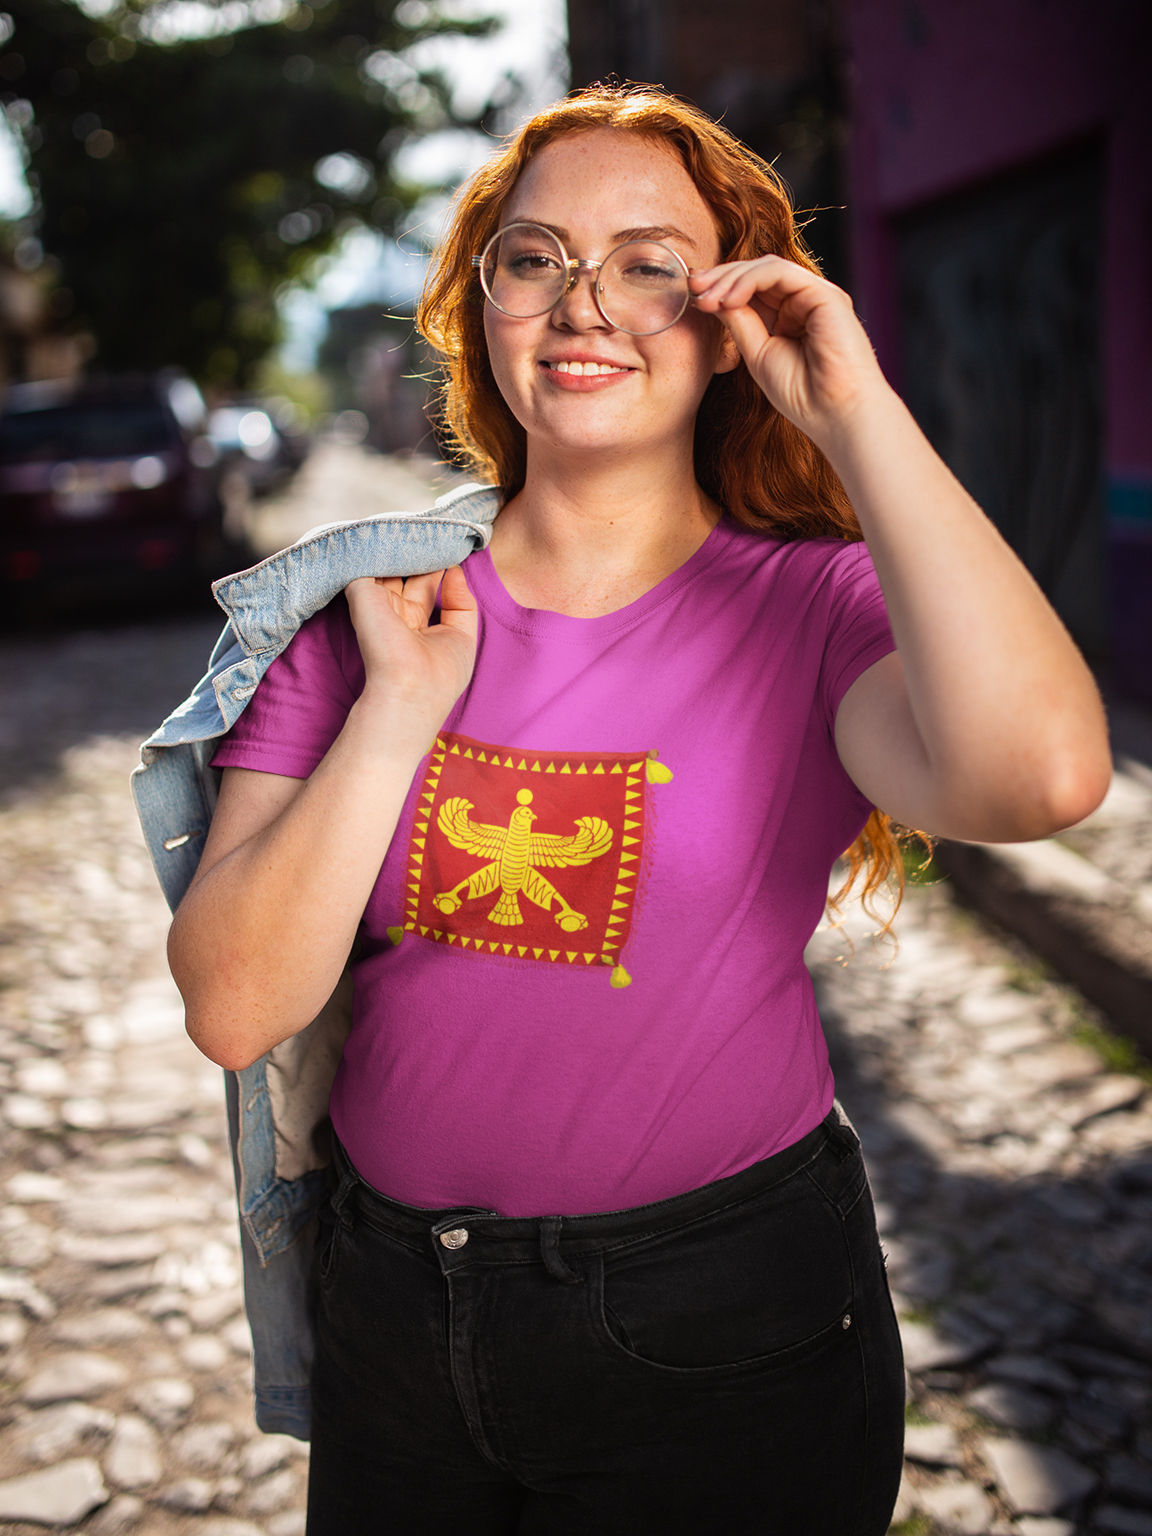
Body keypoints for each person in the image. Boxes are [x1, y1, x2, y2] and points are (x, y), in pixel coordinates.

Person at [167, 84, 1111, 1535]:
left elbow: (1043, 777)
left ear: (731, 315)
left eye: (648, 262)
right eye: (535, 258)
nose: (582, 302)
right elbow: (236, 1004)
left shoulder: (811, 610)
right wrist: (396, 713)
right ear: (483, 303)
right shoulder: (355, 610)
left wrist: (853, 409)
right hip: (392, 1315)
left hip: (722, 1326)